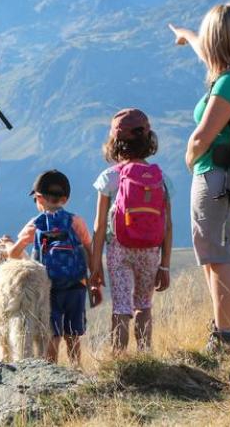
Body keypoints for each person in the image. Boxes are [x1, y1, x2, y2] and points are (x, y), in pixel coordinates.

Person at [169, 2, 230, 353]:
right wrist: (187, 35)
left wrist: (191, 159)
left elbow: (201, 136)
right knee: (213, 254)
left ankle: (227, 339)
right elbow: (205, 54)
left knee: (220, 258)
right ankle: (222, 332)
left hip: (220, 176)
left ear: (216, 40)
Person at [89, 109, 173, 353]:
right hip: (150, 251)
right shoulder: (161, 178)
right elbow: (167, 224)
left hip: (119, 250)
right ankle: (145, 356)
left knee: (122, 307)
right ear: (149, 140)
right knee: (144, 305)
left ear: (115, 143)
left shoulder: (109, 177)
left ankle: (119, 360)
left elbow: (99, 225)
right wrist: (165, 265)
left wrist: (95, 266)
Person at [9, 170, 93, 366]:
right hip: (76, 286)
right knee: (73, 334)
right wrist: (94, 274)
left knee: (51, 334)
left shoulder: (35, 224)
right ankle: (76, 370)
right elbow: (88, 248)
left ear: (39, 198)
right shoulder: (75, 221)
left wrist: (12, 244)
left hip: (48, 287)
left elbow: (13, 254)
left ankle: (51, 371)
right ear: (65, 198)